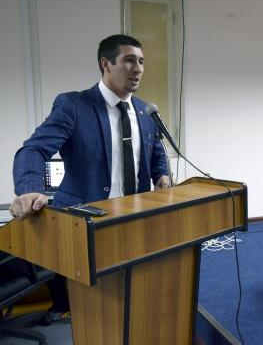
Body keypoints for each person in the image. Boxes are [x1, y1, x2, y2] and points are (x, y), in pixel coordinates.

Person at [9, 34, 171, 322]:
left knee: (125, 299)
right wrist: (29, 189)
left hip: (135, 217)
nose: (138, 69)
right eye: (129, 60)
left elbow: (156, 152)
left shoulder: (145, 112)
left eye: (141, 61)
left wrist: (163, 174)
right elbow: (33, 150)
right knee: (87, 307)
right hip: (86, 219)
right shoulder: (74, 105)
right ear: (106, 64)